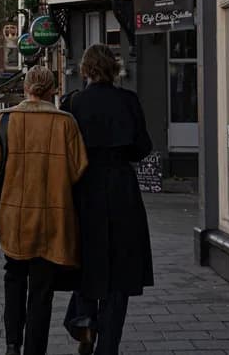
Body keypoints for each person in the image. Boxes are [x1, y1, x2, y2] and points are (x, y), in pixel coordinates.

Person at [0, 66, 88, 355]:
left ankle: (12, 343)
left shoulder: (4, 119)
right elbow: (78, 169)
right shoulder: (67, 122)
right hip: (53, 217)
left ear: (26, 87)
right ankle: (34, 350)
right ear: (52, 89)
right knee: (42, 289)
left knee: (13, 277)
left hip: (14, 217)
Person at [61, 44, 153, 355]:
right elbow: (142, 147)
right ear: (113, 69)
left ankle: (84, 321)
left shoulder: (73, 103)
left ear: (85, 70)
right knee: (121, 270)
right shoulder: (128, 101)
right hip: (121, 190)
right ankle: (108, 346)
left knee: (86, 260)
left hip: (85, 190)